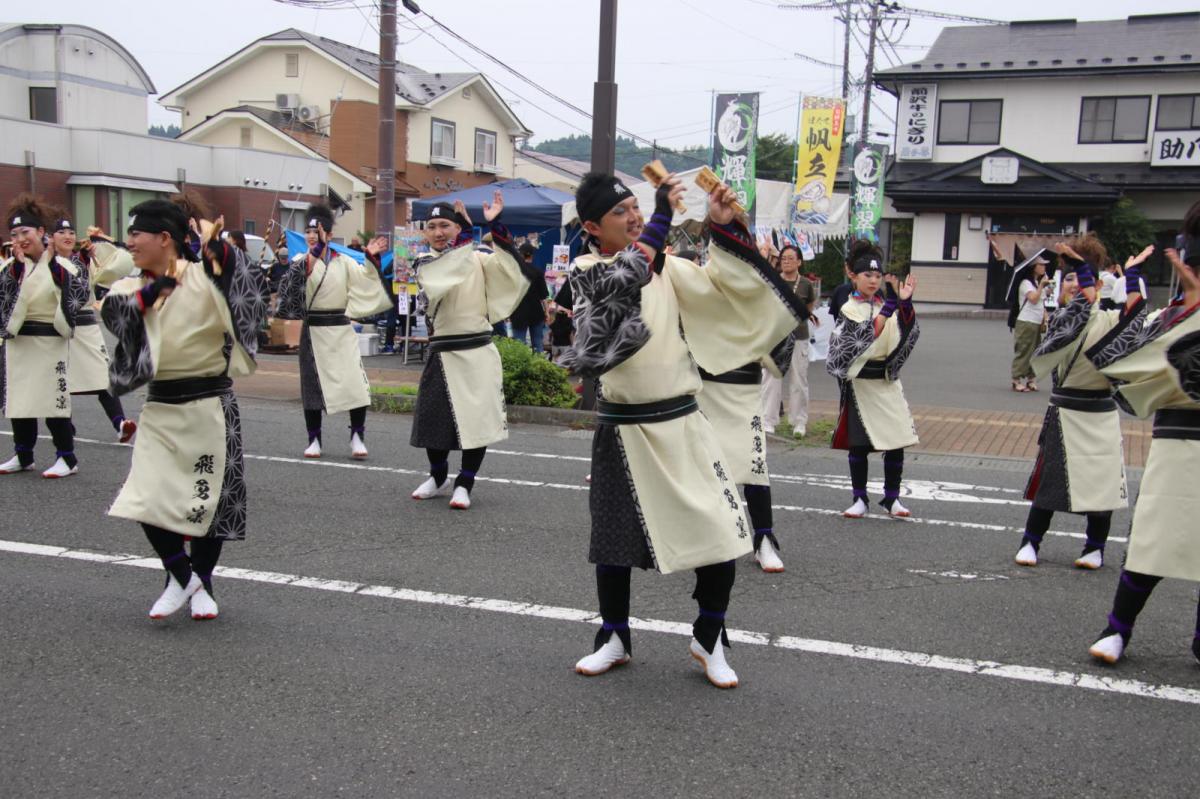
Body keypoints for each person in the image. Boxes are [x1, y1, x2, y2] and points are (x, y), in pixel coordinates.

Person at [564, 172, 803, 688]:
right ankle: (613, 636)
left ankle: (710, 635)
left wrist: (721, 229)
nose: (633, 218)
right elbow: (623, 283)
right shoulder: (586, 270)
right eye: (620, 212)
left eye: (636, 208)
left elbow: (725, 291)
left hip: (683, 419)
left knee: (722, 535)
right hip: (623, 426)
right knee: (613, 544)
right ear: (591, 226)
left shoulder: (667, 266)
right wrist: (660, 217)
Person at [101, 196, 266, 620]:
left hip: (210, 404)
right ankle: (180, 573)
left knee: (207, 503)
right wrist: (151, 291)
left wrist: (225, 254)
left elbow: (248, 298)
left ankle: (203, 582)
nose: (130, 241)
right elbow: (114, 313)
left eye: (137, 233)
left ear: (164, 238)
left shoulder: (203, 276)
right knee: (146, 496)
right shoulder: (129, 285)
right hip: (160, 406)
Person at [1083, 205, 1200, 666]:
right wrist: (1186, 312)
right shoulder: (1169, 315)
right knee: (1155, 536)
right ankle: (1117, 628)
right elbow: (1115, 367)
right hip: (1178, 442)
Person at [1013, 236, 1152, 570]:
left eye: (1079, 276)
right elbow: (1079, 312)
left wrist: (1132, 275)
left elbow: (1135, 318)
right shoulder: (1063, 317)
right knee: (1050, 482)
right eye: (1070, 277)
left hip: (1101, 412)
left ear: (1100, 283)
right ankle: (1031, 541)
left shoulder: (1109, 319)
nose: (1073, 284)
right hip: (1065, 411)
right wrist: (1080, 270)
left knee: (1100, 485)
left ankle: (1095, 547)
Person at [408, 193, 535, 510]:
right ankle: (438, 476)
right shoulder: (424, 262)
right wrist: (466, 235)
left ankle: (465, 482)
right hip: (443, 352)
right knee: (433, 421)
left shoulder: (479, 258)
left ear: (457, 228)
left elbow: (512, 270)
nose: (439, 232)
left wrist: (496, 226)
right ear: (425, 233)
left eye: (446, 226)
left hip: (477, 349)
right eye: (433, 226)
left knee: (476, 423)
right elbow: (442, 279)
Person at [275, 203, 392, 459]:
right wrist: (313, 256)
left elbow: (366, 281)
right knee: (312, 387)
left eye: (316, 231)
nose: (310, 236)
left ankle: (357, 436)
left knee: (355, 385)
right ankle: (314, 438)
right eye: (307, 231)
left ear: (328, 234)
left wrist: (372, 258)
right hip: (313, 330)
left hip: (340, 327)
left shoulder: (345, 262)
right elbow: (290, 289)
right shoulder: (300, 261)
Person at [827, 241, 920, 519]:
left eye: (878, 276)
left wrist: (904, 304)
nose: (873, 280)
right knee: (859, 444)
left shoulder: (885, 305)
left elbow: (907, 331)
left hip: (887, 380)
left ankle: (892, 497)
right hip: (861, 383)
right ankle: (859, 498)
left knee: (896, 439)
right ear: (854, 276)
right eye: (867, 275)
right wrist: (889, 307)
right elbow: (861, 337)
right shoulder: (848, 308)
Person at [0, 194, 88, 478]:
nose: (20, 238)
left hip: (50, 340)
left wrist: (50, 264)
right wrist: (16, 268)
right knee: (20, 400)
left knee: (53, 400)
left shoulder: (63, 264)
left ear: (41, 232)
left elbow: (79, 292)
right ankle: (23, 454)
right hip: (20, 342)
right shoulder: (12, 267)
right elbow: (5, 299)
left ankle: (67, 457)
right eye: (14, 234)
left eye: (25, 232)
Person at [48, 213, 139, 443]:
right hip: (58, 328)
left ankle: (120, 423)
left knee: (102, 377)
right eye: (61, 232)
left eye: (70, 232)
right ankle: (65, 428)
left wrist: (102, 242)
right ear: (51, 237)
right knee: (59, 380)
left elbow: (119, 259)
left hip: (86, 326)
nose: (67, 236)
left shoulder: (82, 258)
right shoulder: (46, 262)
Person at [759, 244, 816, 436]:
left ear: (799, 261)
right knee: (771, 378)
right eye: (783, 258)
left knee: (799, 379)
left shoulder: (806, 284)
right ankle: (768, 420)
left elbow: (809, 307)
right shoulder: (773, 280)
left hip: (799, 336)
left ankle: (798, 422)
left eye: (791, 258)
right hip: (775, 337)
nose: (786, 261)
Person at [1009, 256, 1050, 392]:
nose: (1044, 267)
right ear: (1034, 267)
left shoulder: (1037, 283)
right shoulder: (1026, 283)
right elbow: (1033, 299)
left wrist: (1045, 316)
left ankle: (1031, 378)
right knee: (1024, 350)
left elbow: (1041, 303)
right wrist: (1041, 286)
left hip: (1036, 321)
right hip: (1026, 321)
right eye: (1041, 264)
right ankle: (1016, 379)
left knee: (1035, 351)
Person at [509, 242, 548, 354]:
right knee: (538, 344)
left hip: (518, 312)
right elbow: (544, 296)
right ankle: (540, 368)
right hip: (536, 312)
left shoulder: (514, 272)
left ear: (520, 254)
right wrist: (547, 312)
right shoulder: (538, 272)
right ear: (532, 256)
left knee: (519, 345)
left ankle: (521, 369)